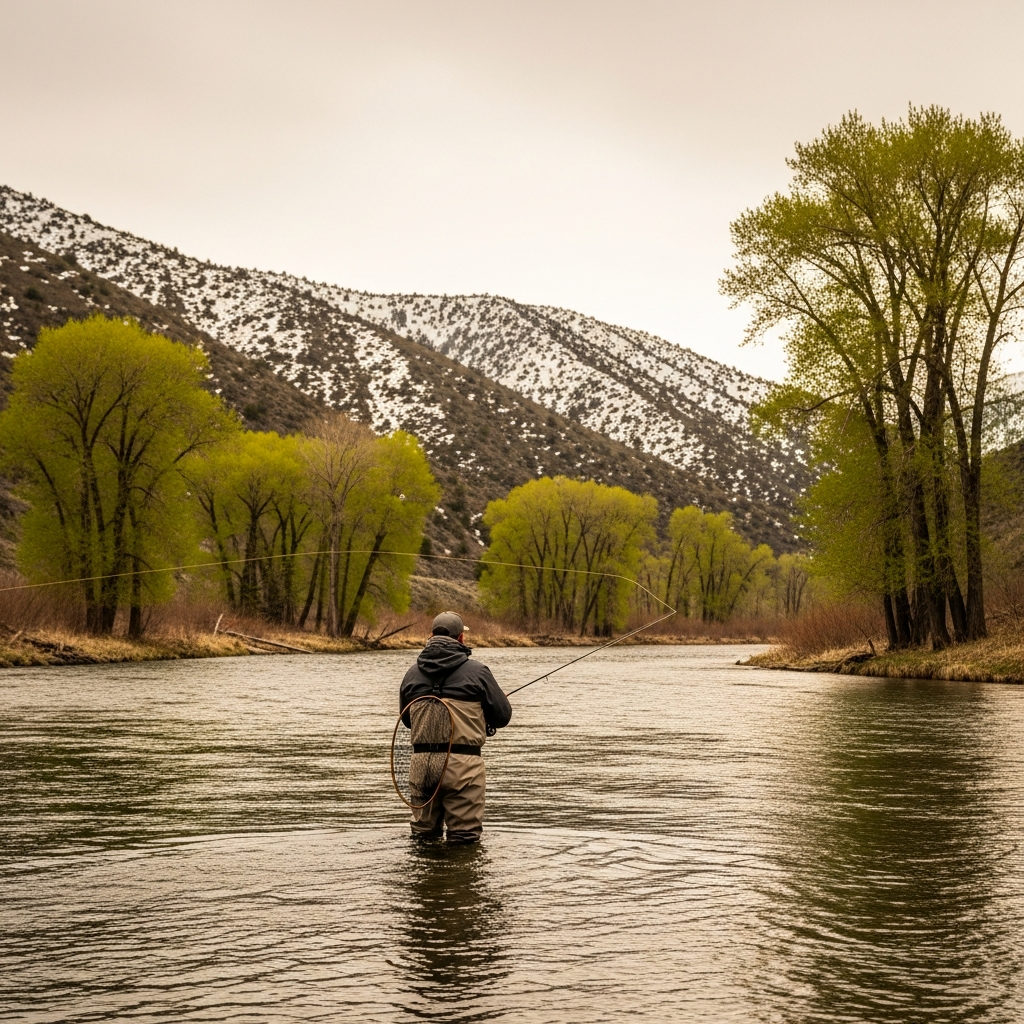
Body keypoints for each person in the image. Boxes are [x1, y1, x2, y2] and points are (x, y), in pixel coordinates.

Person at [399, 610, 512, 843]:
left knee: (423, 838)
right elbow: (502, 717)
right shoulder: (478, 672)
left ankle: (426, 878)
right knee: (464, 839)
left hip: (421, 765)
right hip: (462, 767)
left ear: (430, 636)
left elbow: (408, 720)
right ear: (461, 639)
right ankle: (457, 877)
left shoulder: (411, 674)